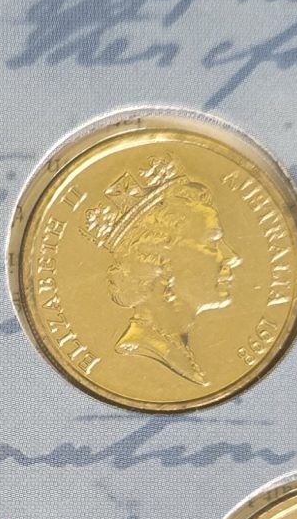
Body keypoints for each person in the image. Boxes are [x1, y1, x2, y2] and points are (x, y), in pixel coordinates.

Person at [90, 156, 241, 390]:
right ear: (164, 262)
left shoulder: (179, 350)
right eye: (212, 242)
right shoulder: (144, 348)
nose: (232, 256)